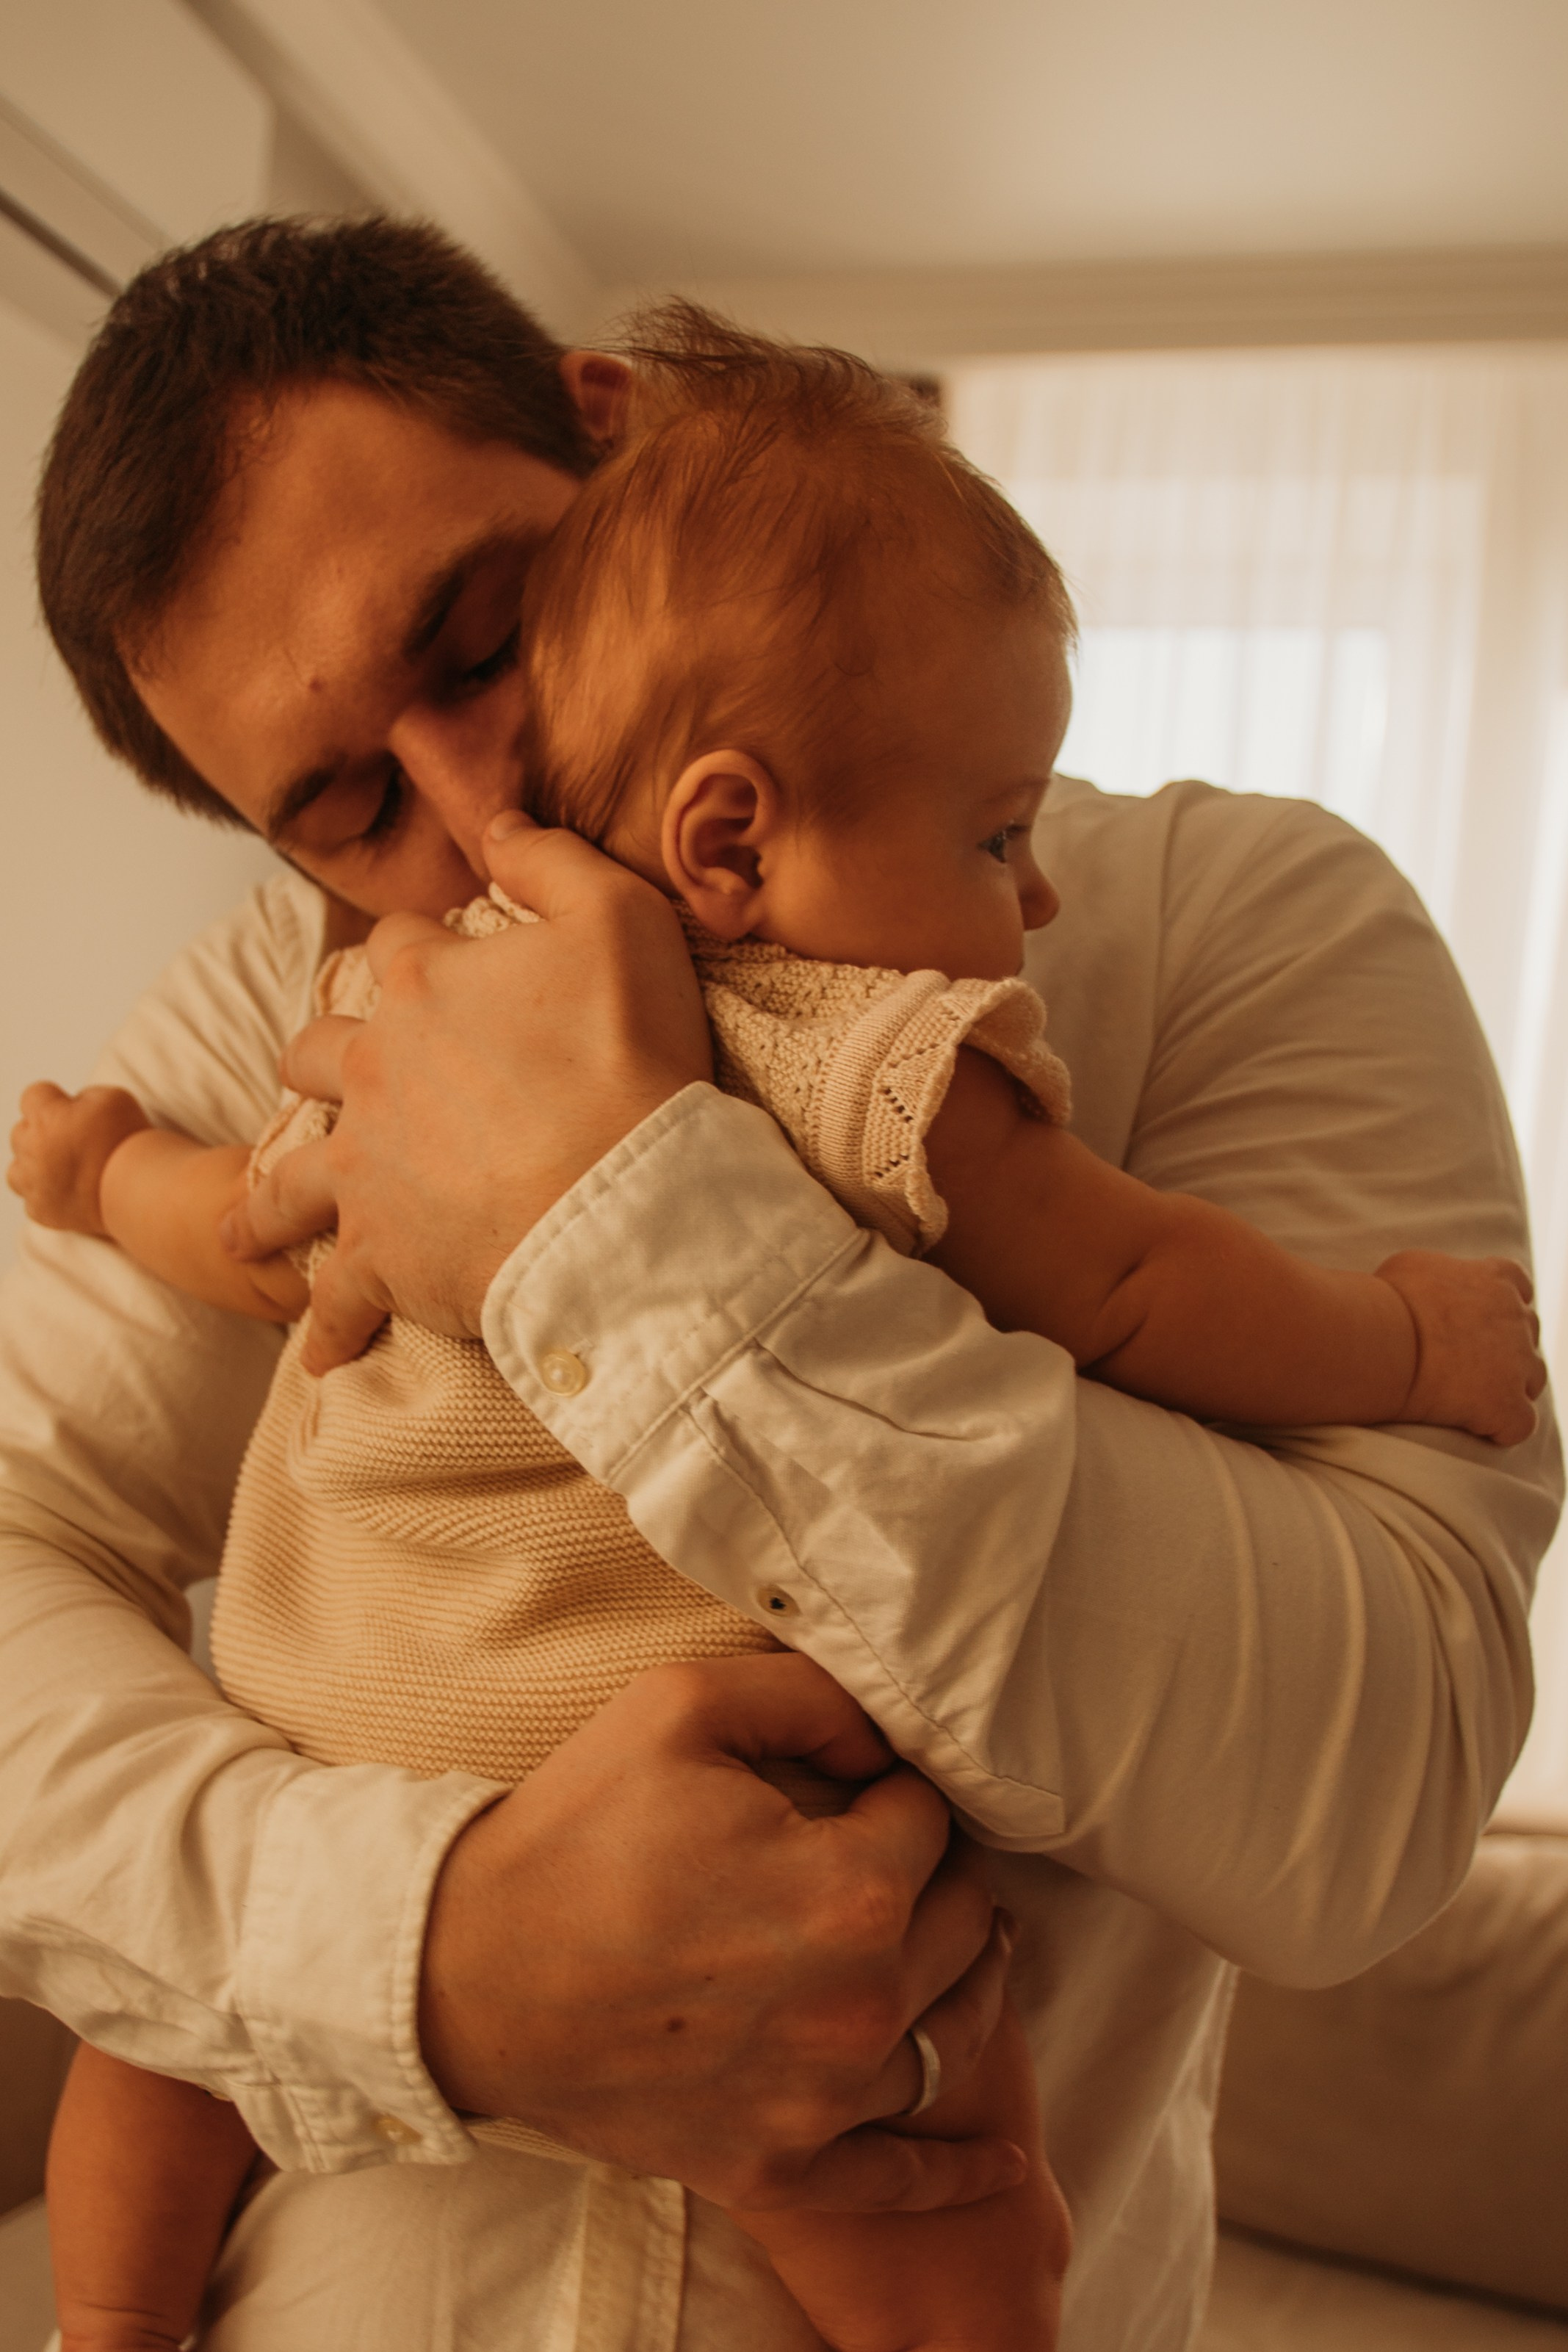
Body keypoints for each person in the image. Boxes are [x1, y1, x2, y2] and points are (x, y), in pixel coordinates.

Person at [0, 217, 1558, 2350]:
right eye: (348, 802)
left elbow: (1369, 1794)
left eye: (482, 638)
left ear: (607, 432)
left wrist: (622, 1219)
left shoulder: (1243, 929)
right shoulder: (296, 1005)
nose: (470, 816)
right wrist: (421, 1955)